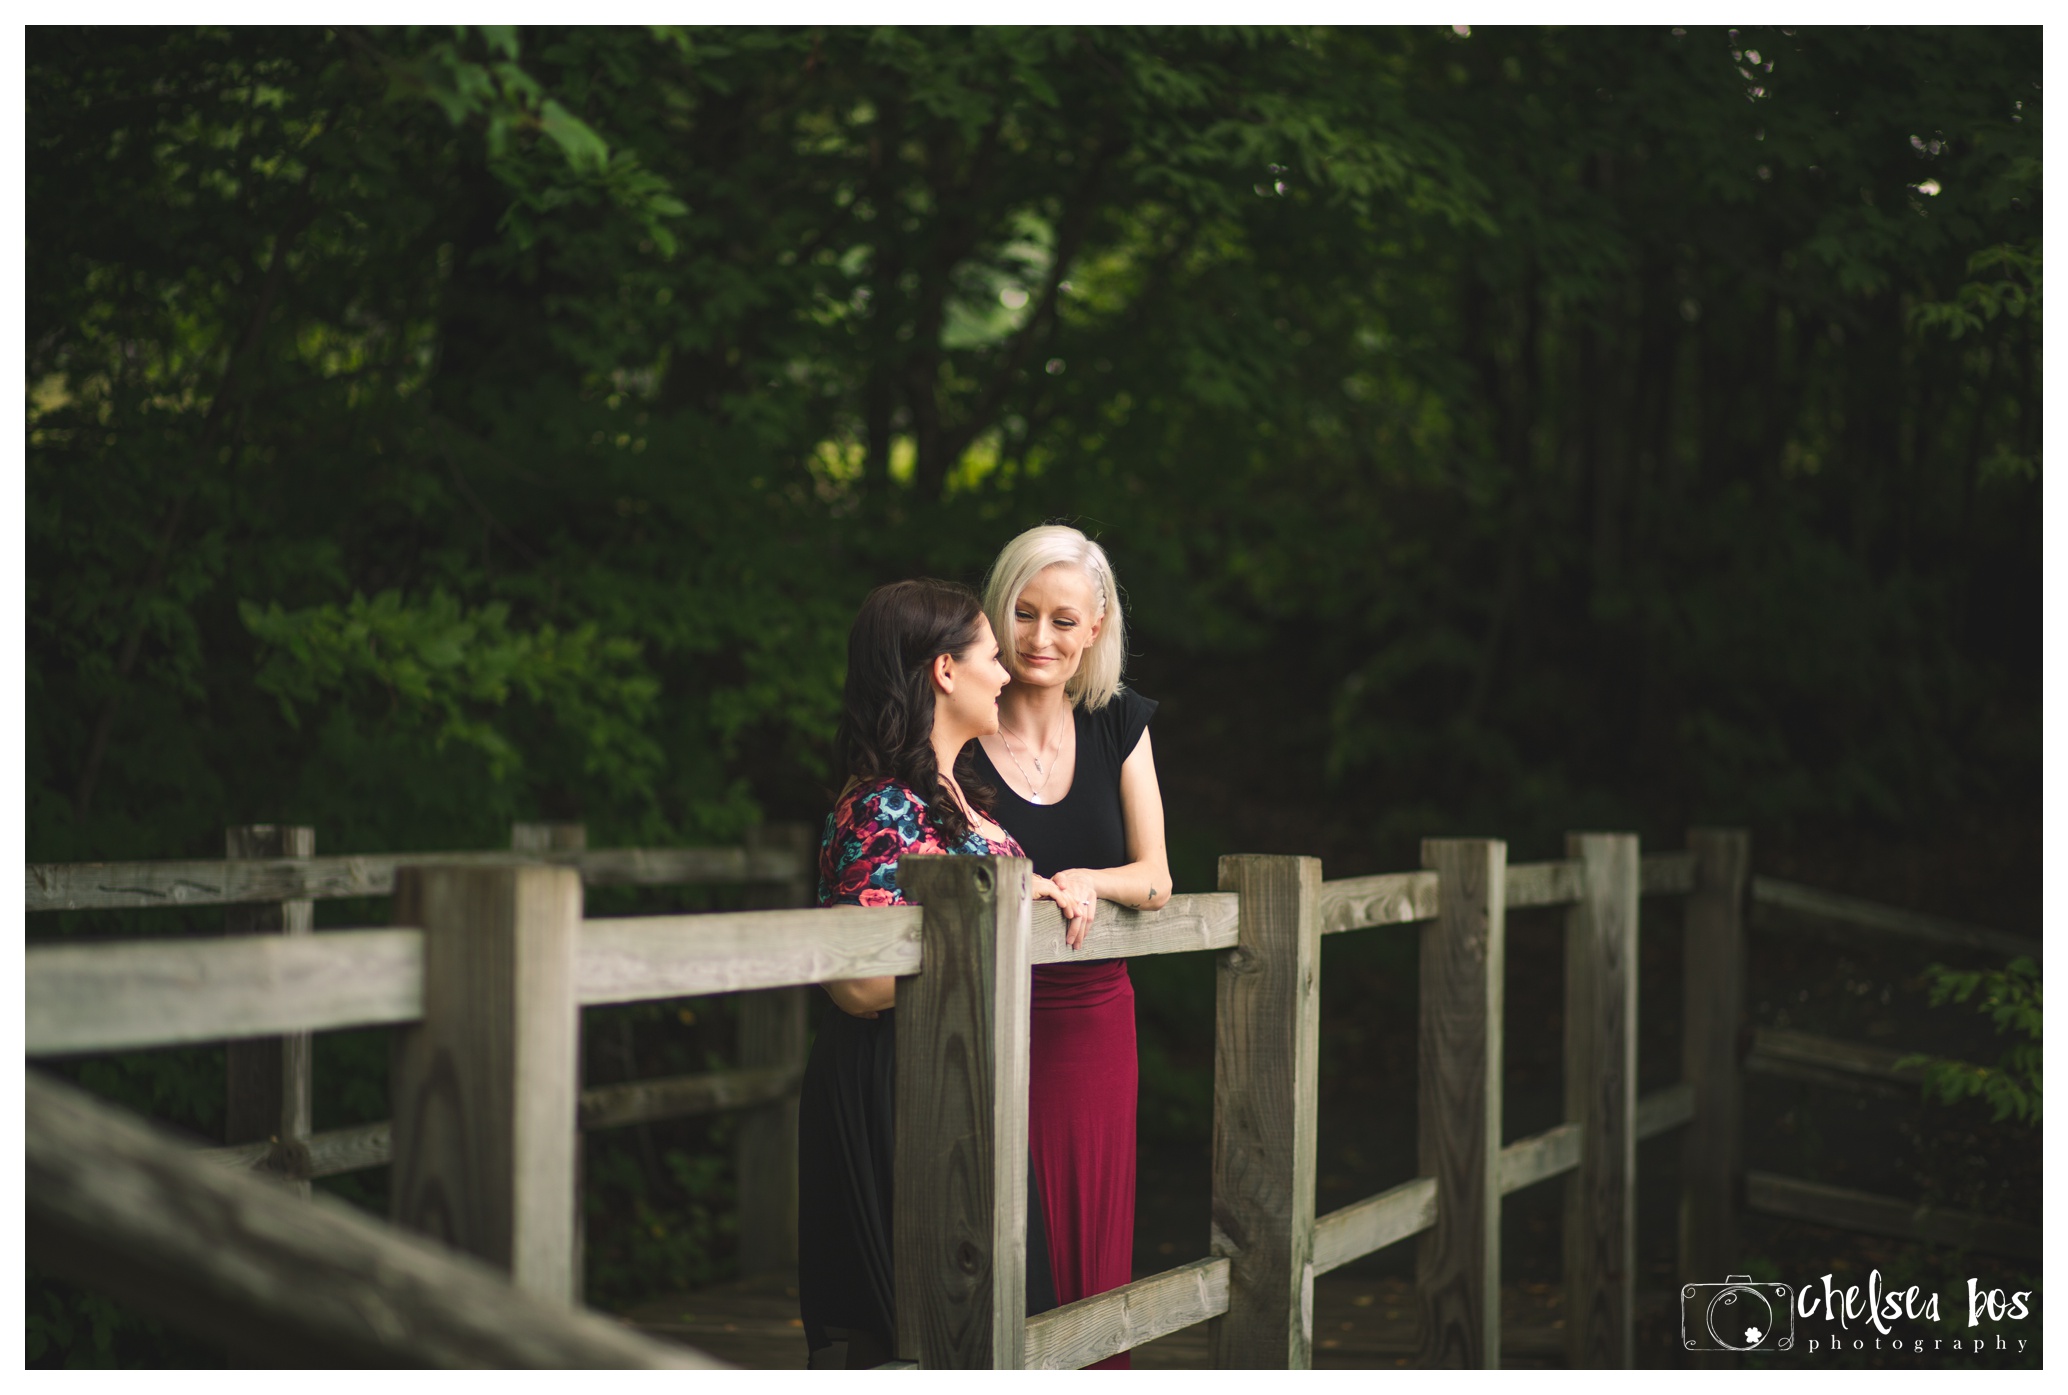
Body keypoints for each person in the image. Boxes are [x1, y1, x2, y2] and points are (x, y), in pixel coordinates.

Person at [797, 577, 1088, 1369]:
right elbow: (855, 982)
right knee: (919, 1332)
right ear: (945, 671)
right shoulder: (880, 804)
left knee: (995, 1320)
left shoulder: (961, 798)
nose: (1008, 672)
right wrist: (987, 938)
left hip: (973, 1079)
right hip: (902, 1085)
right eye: (993, 655)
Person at [970, 525, 1171, 1370]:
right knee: (996, 1236)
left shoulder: (1117, 720)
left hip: (1090, 1021)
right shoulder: (960, 722)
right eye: (1022, 613)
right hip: (984, 1016)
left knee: (1088, 1240)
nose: (1039, 638)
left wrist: (1089, 877)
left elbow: (1156, 874)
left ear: (1095, 627)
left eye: (1062, 619)